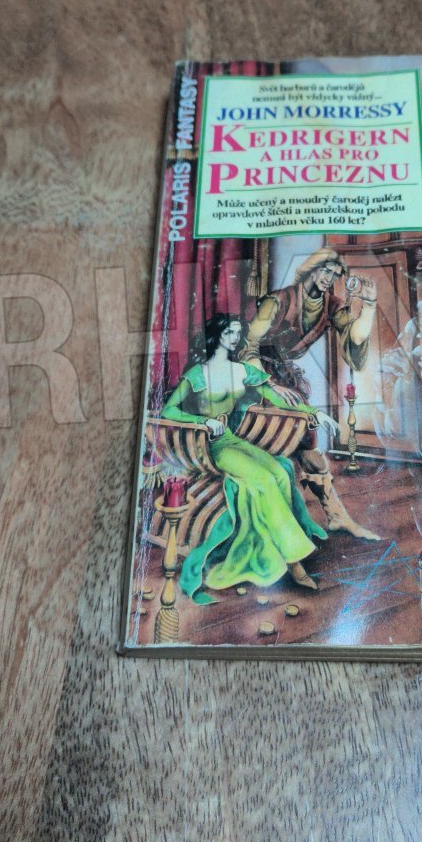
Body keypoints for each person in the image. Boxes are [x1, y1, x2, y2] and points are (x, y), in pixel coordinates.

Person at [161, 314, 332, 602]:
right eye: (229, 332)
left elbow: (278, 400)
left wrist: (313, 413)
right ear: (217, 334)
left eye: (238, 333)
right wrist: (202, 422)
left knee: (281, 473)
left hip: (231, 439)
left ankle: (277, 545)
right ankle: (294, 563)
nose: (235, 338)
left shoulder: (241, 370)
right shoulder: (198, 374)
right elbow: (169, 411)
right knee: (264, 479)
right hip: (209, 448)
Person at [239, 247, 380, 541]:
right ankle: (261, 527)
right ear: (311, 269)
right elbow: (247, 348)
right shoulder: (278, 300)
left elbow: (355, 338)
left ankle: (337, 516)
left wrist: (368, 304)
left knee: (308, 444)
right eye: (325, 270)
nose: (329, 278)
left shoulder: (332, 305)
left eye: (335, 274)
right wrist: (268, 384)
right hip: (254, 380)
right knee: (262, 450)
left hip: (286, 382)